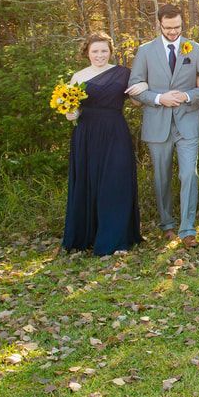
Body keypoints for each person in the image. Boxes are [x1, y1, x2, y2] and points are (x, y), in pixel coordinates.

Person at [129, 4, 199, 248]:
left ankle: (188, 228)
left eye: (177, 27)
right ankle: (167, 224)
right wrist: (159, 98)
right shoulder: (145, 51)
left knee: (189, 173)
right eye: (168, 28)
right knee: (161, 177)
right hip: (157, 123)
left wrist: (188, 96)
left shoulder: (195, 49)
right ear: (159, 25)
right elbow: (134, 87)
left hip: (187, 122)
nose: (173, 32)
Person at [61, 32, 143, 255]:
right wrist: (69, 111)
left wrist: (141, 90)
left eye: (104, 51)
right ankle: (87, 235)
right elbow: (74, 111)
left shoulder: (123, 73)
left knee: (116, 182)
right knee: (89, 182)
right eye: (95, 51)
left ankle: (116, 239)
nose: (99, 55)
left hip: (115, 131)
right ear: (87, 52)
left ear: (110, 51)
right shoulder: (78, 77)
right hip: (87, 134)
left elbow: (136, 103)